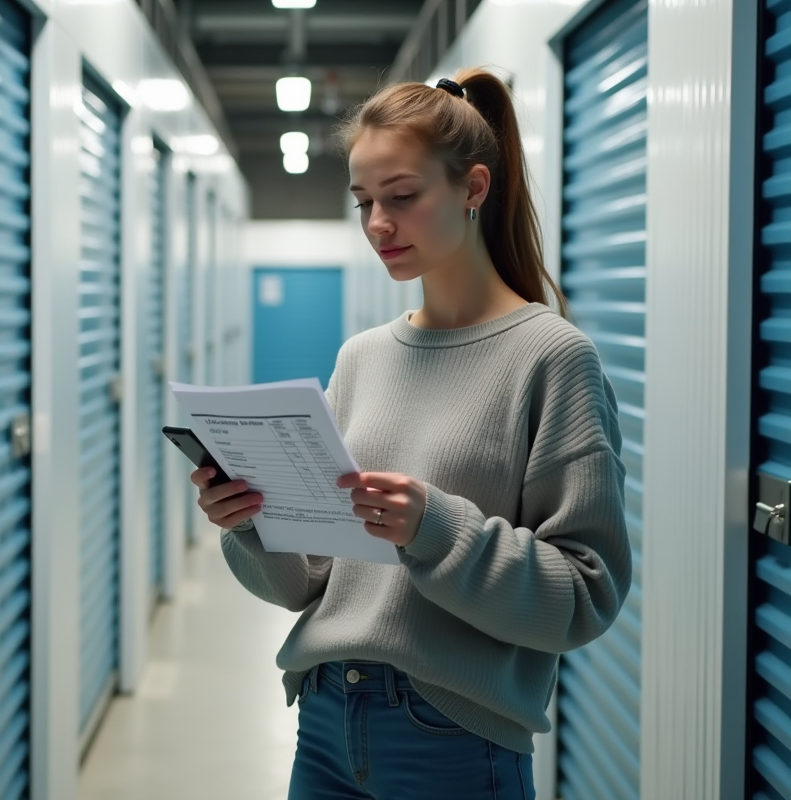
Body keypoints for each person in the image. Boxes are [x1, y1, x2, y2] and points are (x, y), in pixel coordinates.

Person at [189, 68, 632, 800]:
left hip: (452, 741)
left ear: (473, 188)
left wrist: (438, 529)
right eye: (364, 202)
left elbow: (588, 594)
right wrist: (252, 522)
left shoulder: (551, 357)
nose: (377, 225)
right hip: (323, 721)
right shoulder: (361, 358)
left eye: (401, 197)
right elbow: (309, 583)